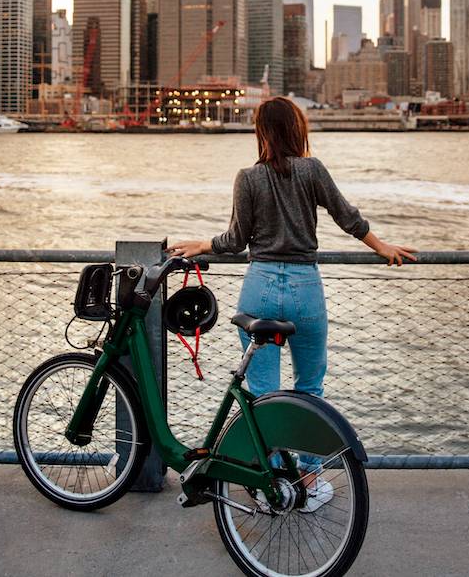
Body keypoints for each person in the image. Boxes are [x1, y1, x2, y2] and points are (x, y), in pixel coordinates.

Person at [167, 96, 417, 509]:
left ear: (262, 133)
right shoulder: (312, 169)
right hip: (305, 287)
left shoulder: (247, 177)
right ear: (297, 130)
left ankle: (273, 485)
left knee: (264, 395)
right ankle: (311, 481)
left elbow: (235, 241)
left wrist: (201, 245)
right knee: (310, 389)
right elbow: (347, 216)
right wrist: (381, 245)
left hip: (260, 285)